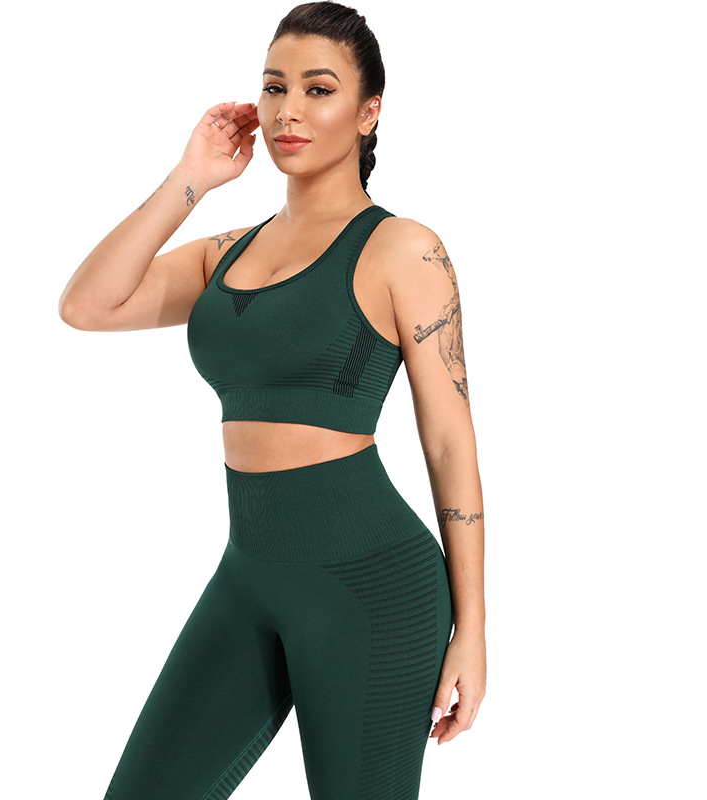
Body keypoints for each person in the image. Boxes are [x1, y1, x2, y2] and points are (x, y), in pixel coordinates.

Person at [58, 2, 486, 798]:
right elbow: (88, 305)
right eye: (274, 86)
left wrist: (474, 628)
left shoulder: (404, 249)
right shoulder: (228, 253)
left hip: (373, 588)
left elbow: (449, 443)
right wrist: (191, 178)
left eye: (318, 89)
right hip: (248, 578)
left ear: (368, 112)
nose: (289, 110)